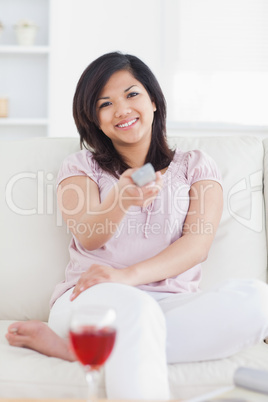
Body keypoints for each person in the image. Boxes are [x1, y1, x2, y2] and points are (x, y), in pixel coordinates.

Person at [6, 52, 268, 400]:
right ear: (94, 120)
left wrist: (128, 276)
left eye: (132, 94)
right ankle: (96, 342)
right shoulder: (79, 167)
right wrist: (120, 200)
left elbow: (197, 245)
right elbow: (87, 232)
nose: (122, 110)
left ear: (154, 101)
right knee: (138, 312)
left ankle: (78, 350)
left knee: (258, 301)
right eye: (106, 103)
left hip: (172, 304)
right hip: (92, 298)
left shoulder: (196, 166)